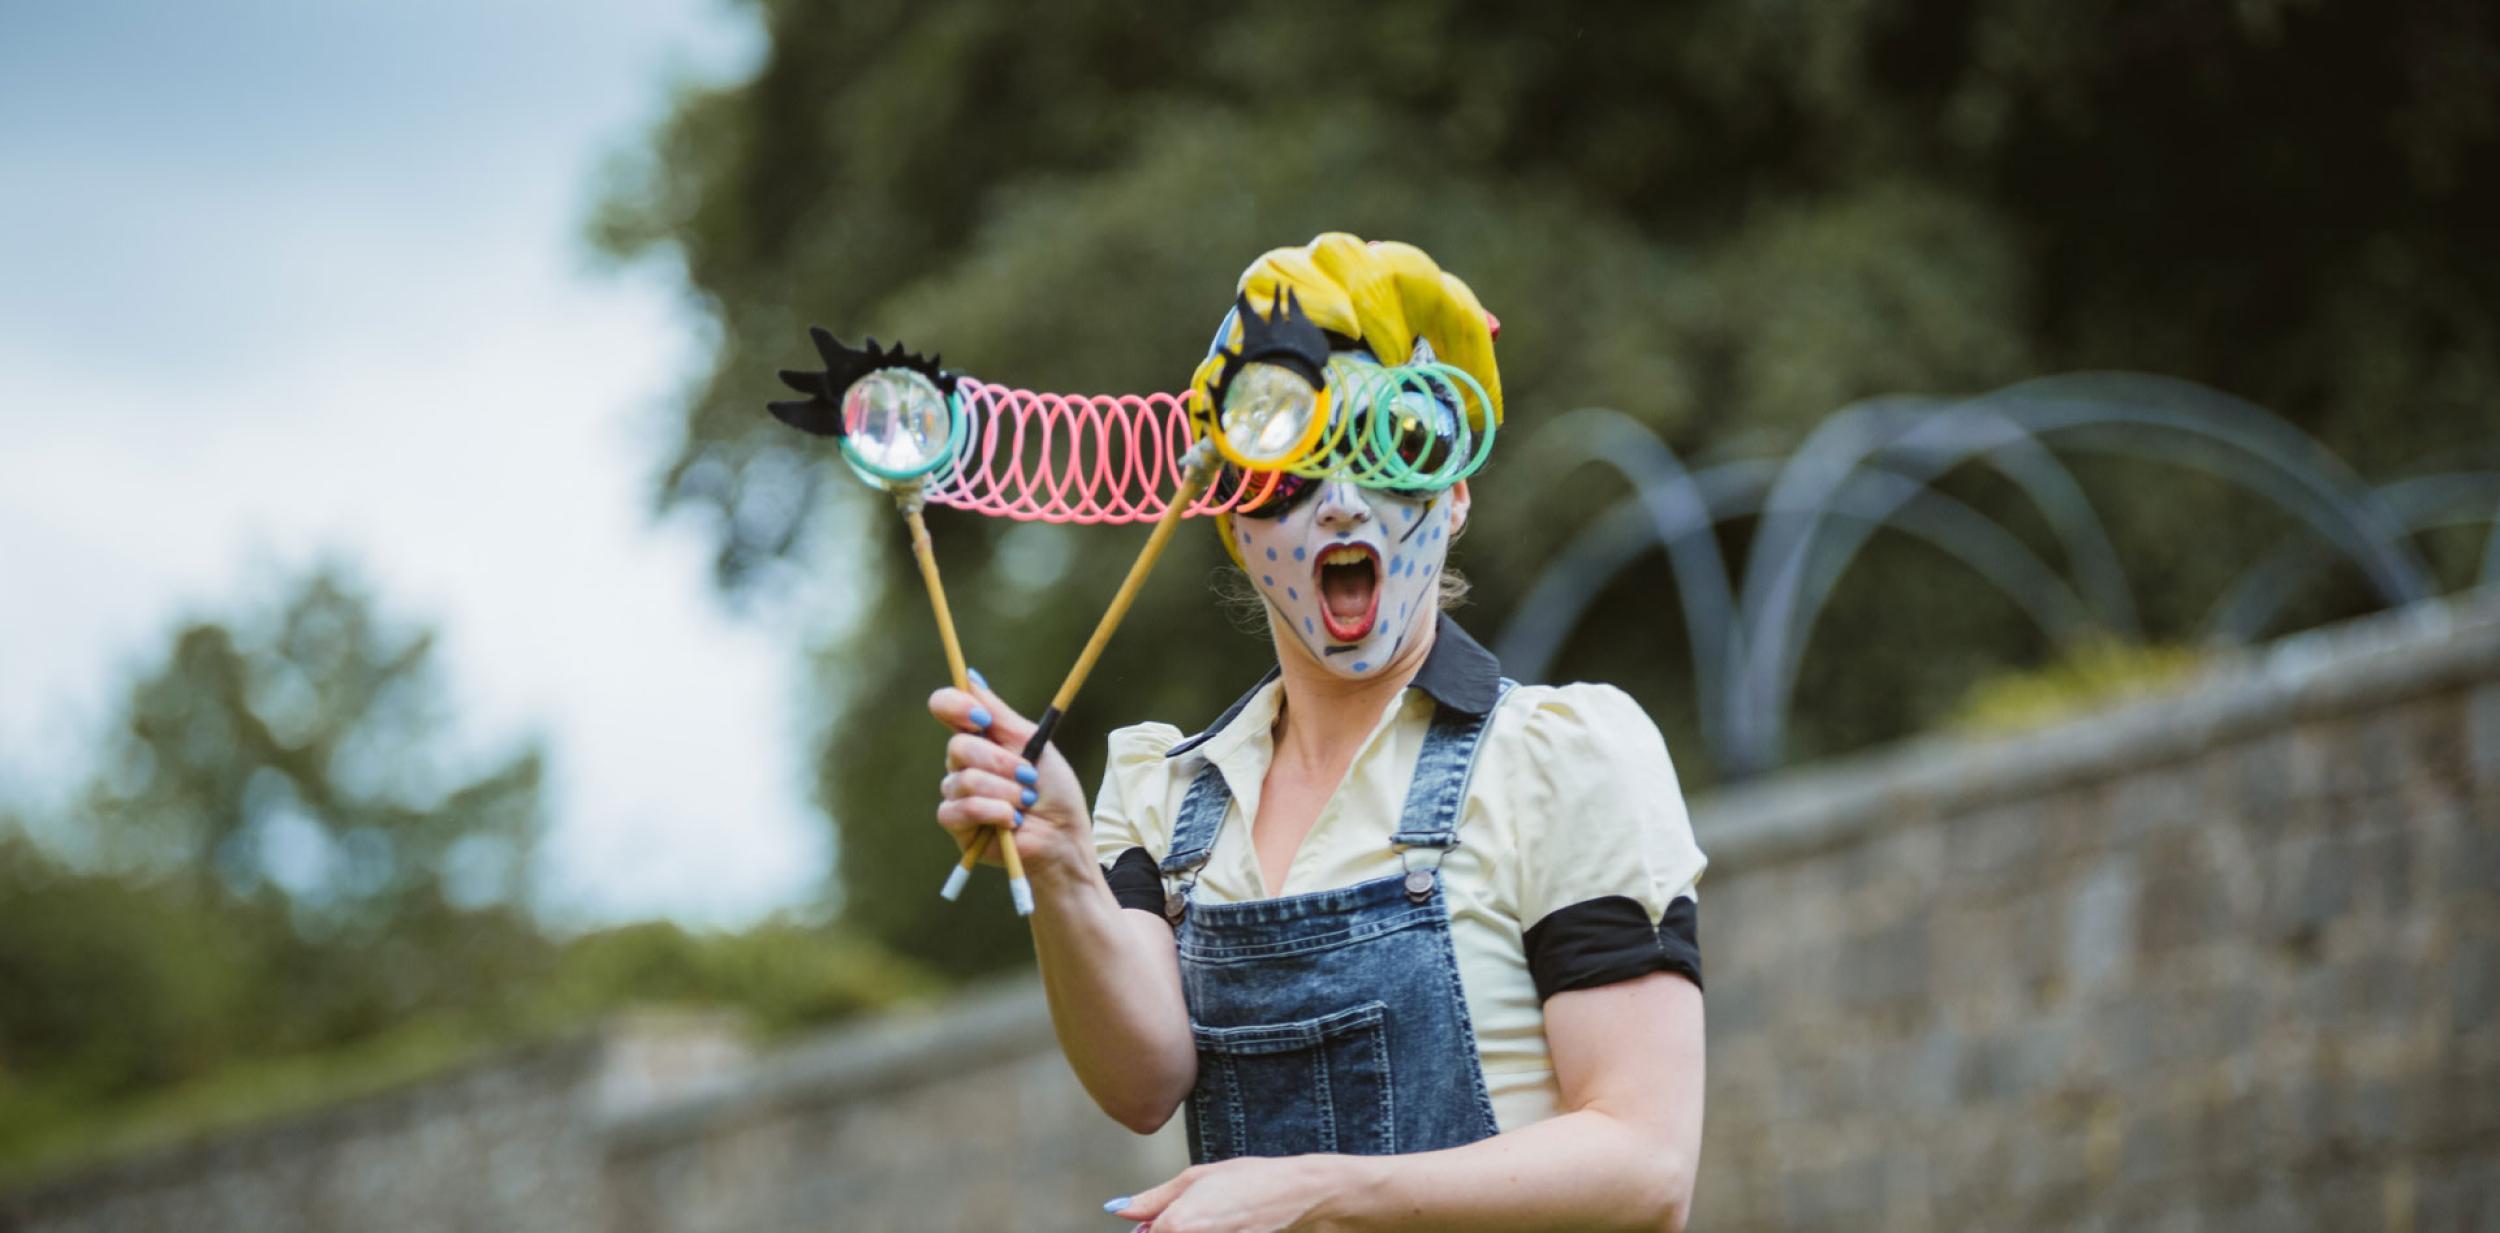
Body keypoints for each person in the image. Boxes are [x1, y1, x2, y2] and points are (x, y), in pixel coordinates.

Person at [929, 233, 1706, 1233]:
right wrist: (1063, 864)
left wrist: (1320, 1194)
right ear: (1230, 522)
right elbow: (1141, 1083)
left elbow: (1645, 1167)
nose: (1342, 506)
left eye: (1393, 448)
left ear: (1454, 491)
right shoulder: (1167, 798)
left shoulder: (1560, 756)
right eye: (1289, 471)